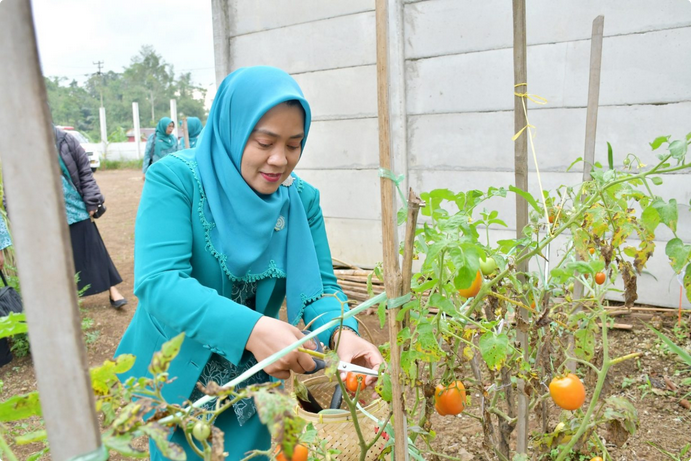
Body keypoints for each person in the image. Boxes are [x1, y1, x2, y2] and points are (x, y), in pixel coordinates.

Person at [116, 66, 383, 460]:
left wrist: (343, 335)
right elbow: (161, 282)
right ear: (233, 129)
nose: (280, 160)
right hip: (181, 384)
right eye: (264, 142)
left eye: (294, 144)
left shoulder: (300, 200)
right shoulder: (176, 181)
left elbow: (321, 289)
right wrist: (254, 329)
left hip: (257, 385)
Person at [54, 127, 128, 308]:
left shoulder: (65, 140)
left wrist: (91, 201)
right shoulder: (25, 142)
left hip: (73, 204)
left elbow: (85, 172)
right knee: (57, 253)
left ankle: (112, 290)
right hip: (47, 208)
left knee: (92, 247)